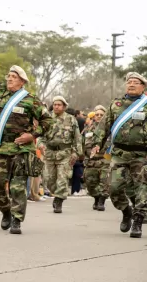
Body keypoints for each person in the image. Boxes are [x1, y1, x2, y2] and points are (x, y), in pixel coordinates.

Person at [0, 66, 52, 234]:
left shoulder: (31, 100)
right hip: (0, 146)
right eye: (8, 76)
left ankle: (17, 219)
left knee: (17, 186)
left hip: (21, 148)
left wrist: (32, 135)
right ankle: (6, 212)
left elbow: (48, 121)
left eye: (14, 77)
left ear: (22, 81)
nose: (9, 79)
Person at [92, 72, 147, 238]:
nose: (131, 84)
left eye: (135, 82)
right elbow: (104, 126)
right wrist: (97, 143)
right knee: (114, 188)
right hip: (119, 153)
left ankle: (138, 221)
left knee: (142, 189)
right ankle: (126, 211)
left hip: (142, 154)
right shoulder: (115, 105)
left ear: (143, 86)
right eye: (129, 82)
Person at [38, 96, 82, 214]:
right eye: (55, 104)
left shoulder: (71, 119)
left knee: (62, 179)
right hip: (49, 153)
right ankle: (56, 194)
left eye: (59, 104)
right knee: (49, 179)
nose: (56, 106)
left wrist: (76, 153)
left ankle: (59, 200)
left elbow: (77, 138)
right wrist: (40, 145)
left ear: (64, 106)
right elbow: (40, 135)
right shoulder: (47, 118)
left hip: (65, 153)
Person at [83, 105, 109, 211]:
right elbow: (82, 142)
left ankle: (102, 201)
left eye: (101, 115)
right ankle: (96, 198)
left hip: (105, 159)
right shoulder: (88, 128)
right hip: (91, 161)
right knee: (90, 183)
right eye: (97, 114)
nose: (99, 116)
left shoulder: (110, 128)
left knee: (105, 182)